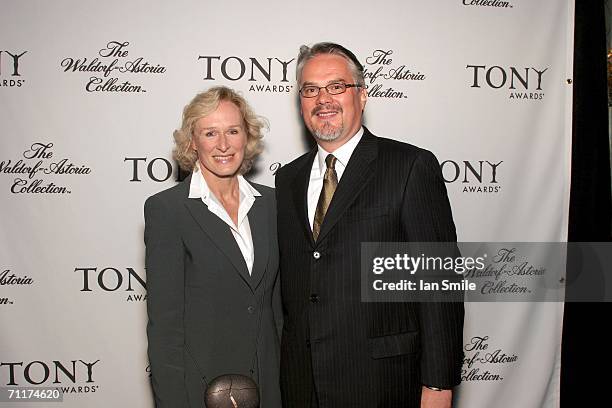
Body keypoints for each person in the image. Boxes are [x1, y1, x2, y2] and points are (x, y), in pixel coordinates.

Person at [275, 42, 464, 408]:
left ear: (362, 95)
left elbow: (439, 282)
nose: (322, 99)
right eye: (310, 89)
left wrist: (438, 385)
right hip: (302, 384)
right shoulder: (288, 180)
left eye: (336, 86)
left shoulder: (409, 167)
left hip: (383, 383)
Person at [144, 86, 282, 408]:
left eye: (233, 131)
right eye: (210, 133)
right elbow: (165, 327)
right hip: (202, 389)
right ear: (192, 141)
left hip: (270, 385)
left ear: (247, 137)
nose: (223, 144)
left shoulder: (273, 205)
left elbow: (277, 310)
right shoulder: (168, 210)